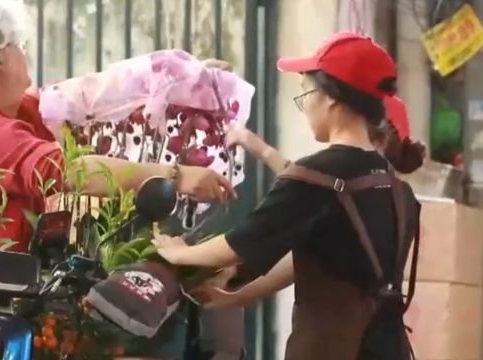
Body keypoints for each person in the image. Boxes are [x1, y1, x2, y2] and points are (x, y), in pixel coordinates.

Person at [0, 0, 235, 332]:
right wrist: (175, 175)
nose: (25, 53)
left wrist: (184, 83)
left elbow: (93, 97)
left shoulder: (11, 112)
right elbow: (72, 174)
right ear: (0, 57)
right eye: (17, 45)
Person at [153, 32, 422, 360]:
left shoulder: (317, 176)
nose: (305, 104)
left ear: (330, 96)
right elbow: (313, 260)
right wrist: (237, 297)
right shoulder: (396, 189)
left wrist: (180, 253)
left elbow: (241, 242)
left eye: (306, 92)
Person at [196, 95, 425, 309]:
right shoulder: (397, 195)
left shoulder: (357, 187)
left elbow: (306, 184)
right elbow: (305, 185)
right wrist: (240, 294)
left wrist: (178, 254)